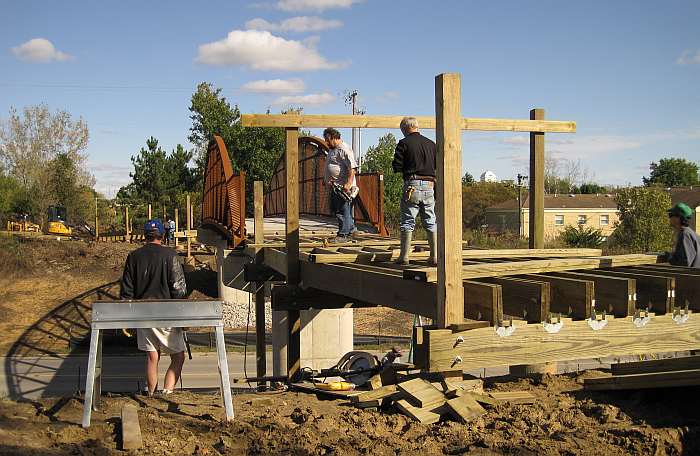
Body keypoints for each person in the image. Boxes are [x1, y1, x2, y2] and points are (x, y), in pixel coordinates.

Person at [120, 219, 188, 395]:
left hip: (143, 313)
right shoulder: (170, 255)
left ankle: (151, 393)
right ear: (163, 235)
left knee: (152, 356)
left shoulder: (134, 257)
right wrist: (183, 316)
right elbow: (179, 289)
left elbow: (127, 289)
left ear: (145, 236)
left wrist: (127, 318)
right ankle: (167, 391)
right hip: (167, 313)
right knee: (178, 356)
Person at [392, 117, 438, 266]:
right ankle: (434, 257)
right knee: (430, 221)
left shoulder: (403, 143)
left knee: (407, 221)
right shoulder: (431, 144)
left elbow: (397, 166)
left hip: (412, 184)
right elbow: (437, 165)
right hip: (430, 185)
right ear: (417, 127)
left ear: (404, 129)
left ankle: (404, 257)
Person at [323, 128, 359, 242]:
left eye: (328, 140)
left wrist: (348, 184)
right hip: (336, 186)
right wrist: (327, 178)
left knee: (342, 210)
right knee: (338, 209)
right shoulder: (333, 149)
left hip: (343, 187)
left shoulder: (344, 149)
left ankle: (344, 234)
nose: (326, 142)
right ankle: (352, 230)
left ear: (334, 137)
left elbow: (352, 168)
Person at [666, 202, 699, 268]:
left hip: (691, 277)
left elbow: (685, 263)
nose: (669, 218)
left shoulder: (685, 234)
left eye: (670, 215)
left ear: (678, 218)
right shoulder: (690, 233)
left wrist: (669, 257)